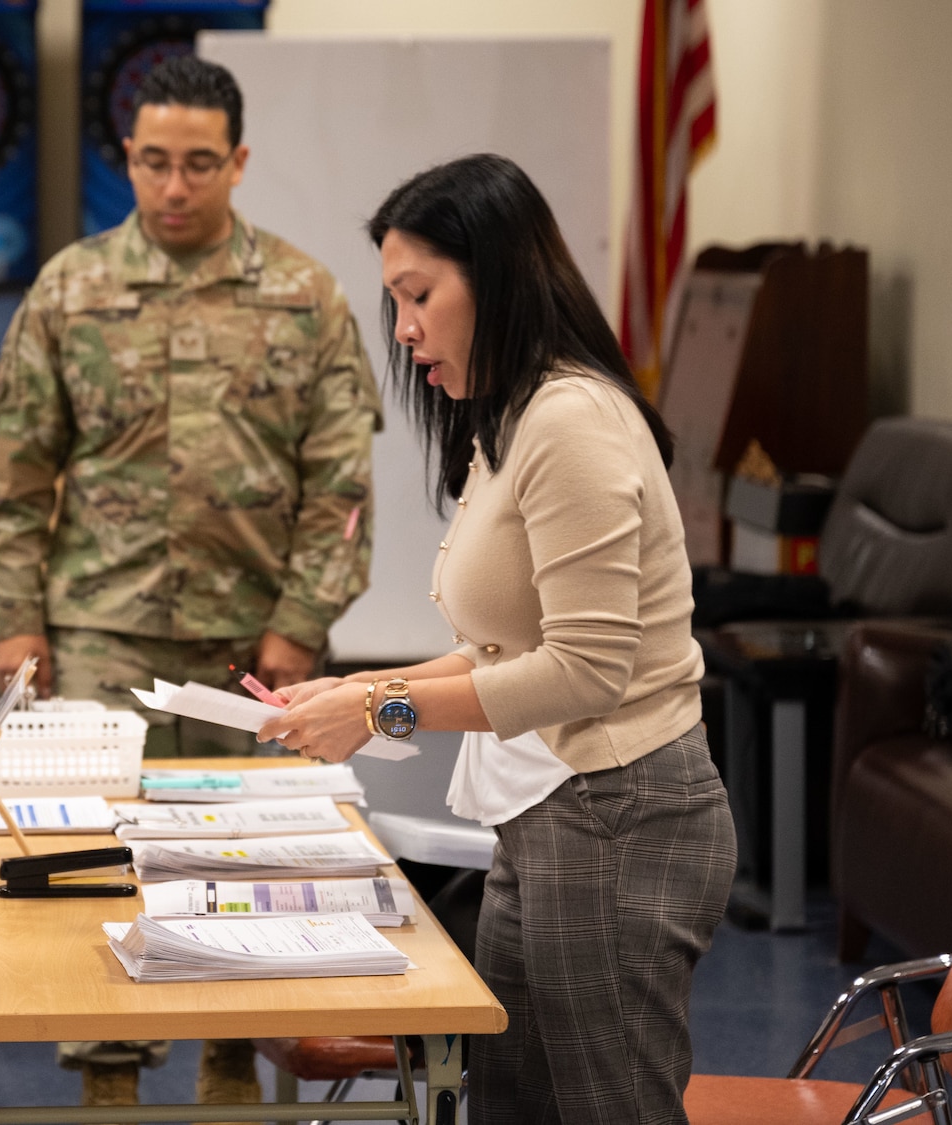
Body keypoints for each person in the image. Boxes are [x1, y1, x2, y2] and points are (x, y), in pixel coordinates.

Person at [258, 153, 737, 1125]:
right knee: (515, 1100)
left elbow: (585, 669)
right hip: (545, 809)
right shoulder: (511, 419)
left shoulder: (570, 422)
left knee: (608, 1106)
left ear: (496, 276)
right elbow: (501, 646)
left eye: (416, 296)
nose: (401, 329)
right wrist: (357, 688)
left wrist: (378, 708)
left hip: (618, 813)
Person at [0, 55, 378, 1113]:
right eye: (154, 162)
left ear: (237, 163)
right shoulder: (70, 288)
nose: (175, 186)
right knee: (102, 861)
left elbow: (340, 488)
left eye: (199, 163)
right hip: (103, 630)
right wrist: (14, 625)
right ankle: (108, 1080)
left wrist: (302, 621)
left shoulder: (302, 294)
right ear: (128, 161)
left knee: (250, 867)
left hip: (258, 645)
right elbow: (15, 481)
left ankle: (234, 1066)